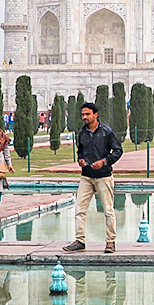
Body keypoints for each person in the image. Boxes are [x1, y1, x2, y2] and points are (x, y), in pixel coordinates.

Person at [65, 101, 122, 252]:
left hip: (103, 176)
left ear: (95, 115)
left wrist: (104, 161)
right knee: (79, 209)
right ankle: (79, 240)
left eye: (87, 114)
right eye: (83, 114)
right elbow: (80, 151)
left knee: (108, 210)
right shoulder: (82, 133)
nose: (84, 117)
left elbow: (117, 151)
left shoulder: (106, 132)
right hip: (87, 176)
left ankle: (110, 242)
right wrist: (81, 160)